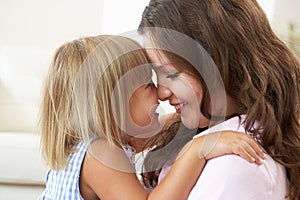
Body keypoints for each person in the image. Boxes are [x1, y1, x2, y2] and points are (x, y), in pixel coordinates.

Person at [38, 34, 265, 200]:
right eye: (148, 84)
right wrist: (197, 150)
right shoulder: (101, 154)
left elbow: (163, 128)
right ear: (115, 104)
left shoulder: (92, 148)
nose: (160, 93)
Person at [138, 0, 300, 199]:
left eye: (171, 74)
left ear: (216, 62)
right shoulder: (208, 133)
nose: (162, 94)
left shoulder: (235, 162)